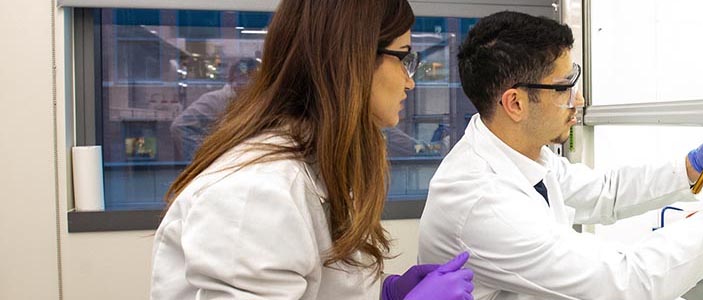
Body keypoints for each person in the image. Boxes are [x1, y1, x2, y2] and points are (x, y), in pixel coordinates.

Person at [417, 11, 703, 299]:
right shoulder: (481, 199)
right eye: (563, 88)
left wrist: (690, 168)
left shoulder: (522, 155)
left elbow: (605, 191)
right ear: (515, 103)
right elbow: (625, 282)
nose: (579, 100)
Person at [149, 0, 473, 299]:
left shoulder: (317, 163)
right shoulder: (256, 191)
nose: (409, 81)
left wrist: (386, 295)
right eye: (404, 57)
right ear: (354, 58)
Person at [170, 58, 260, 161]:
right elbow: (179, 127)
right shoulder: (215, 100)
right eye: (244, 79)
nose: (249, 84)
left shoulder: (249, 102)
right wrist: (207, 158)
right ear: (234, 79)